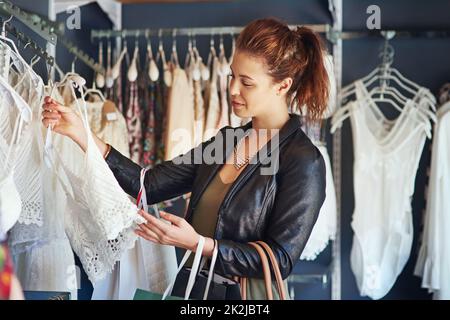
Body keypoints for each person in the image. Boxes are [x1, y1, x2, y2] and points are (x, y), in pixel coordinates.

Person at [42, 18, 328, 299]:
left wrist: (200, 244)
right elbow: (148, 184)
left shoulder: (303, 160)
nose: (232, 90)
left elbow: (280, 259)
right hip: (194, 291)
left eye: (247, 82)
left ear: (282, 86)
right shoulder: (226, 141)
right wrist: (83, 135)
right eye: (232, 76)